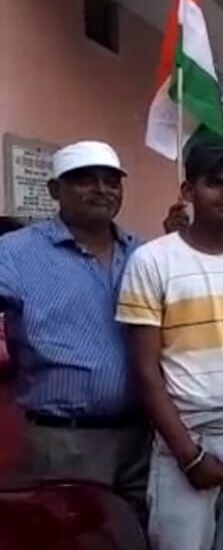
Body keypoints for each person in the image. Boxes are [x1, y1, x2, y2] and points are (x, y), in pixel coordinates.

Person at [117, 141, 223, 549]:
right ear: (189, 191)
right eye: (215, 183)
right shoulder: (151, 261)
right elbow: (146, 371)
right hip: (186, 437)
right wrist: (189, 456)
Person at [0, 142, 149, 518]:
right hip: (62, 441)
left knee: (137, 536)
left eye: (111, 181)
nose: (102, 190)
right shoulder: (15, 253)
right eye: (85, 180)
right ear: (55, 190)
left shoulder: (143, 253)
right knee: (67, 537)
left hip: (141, 438)